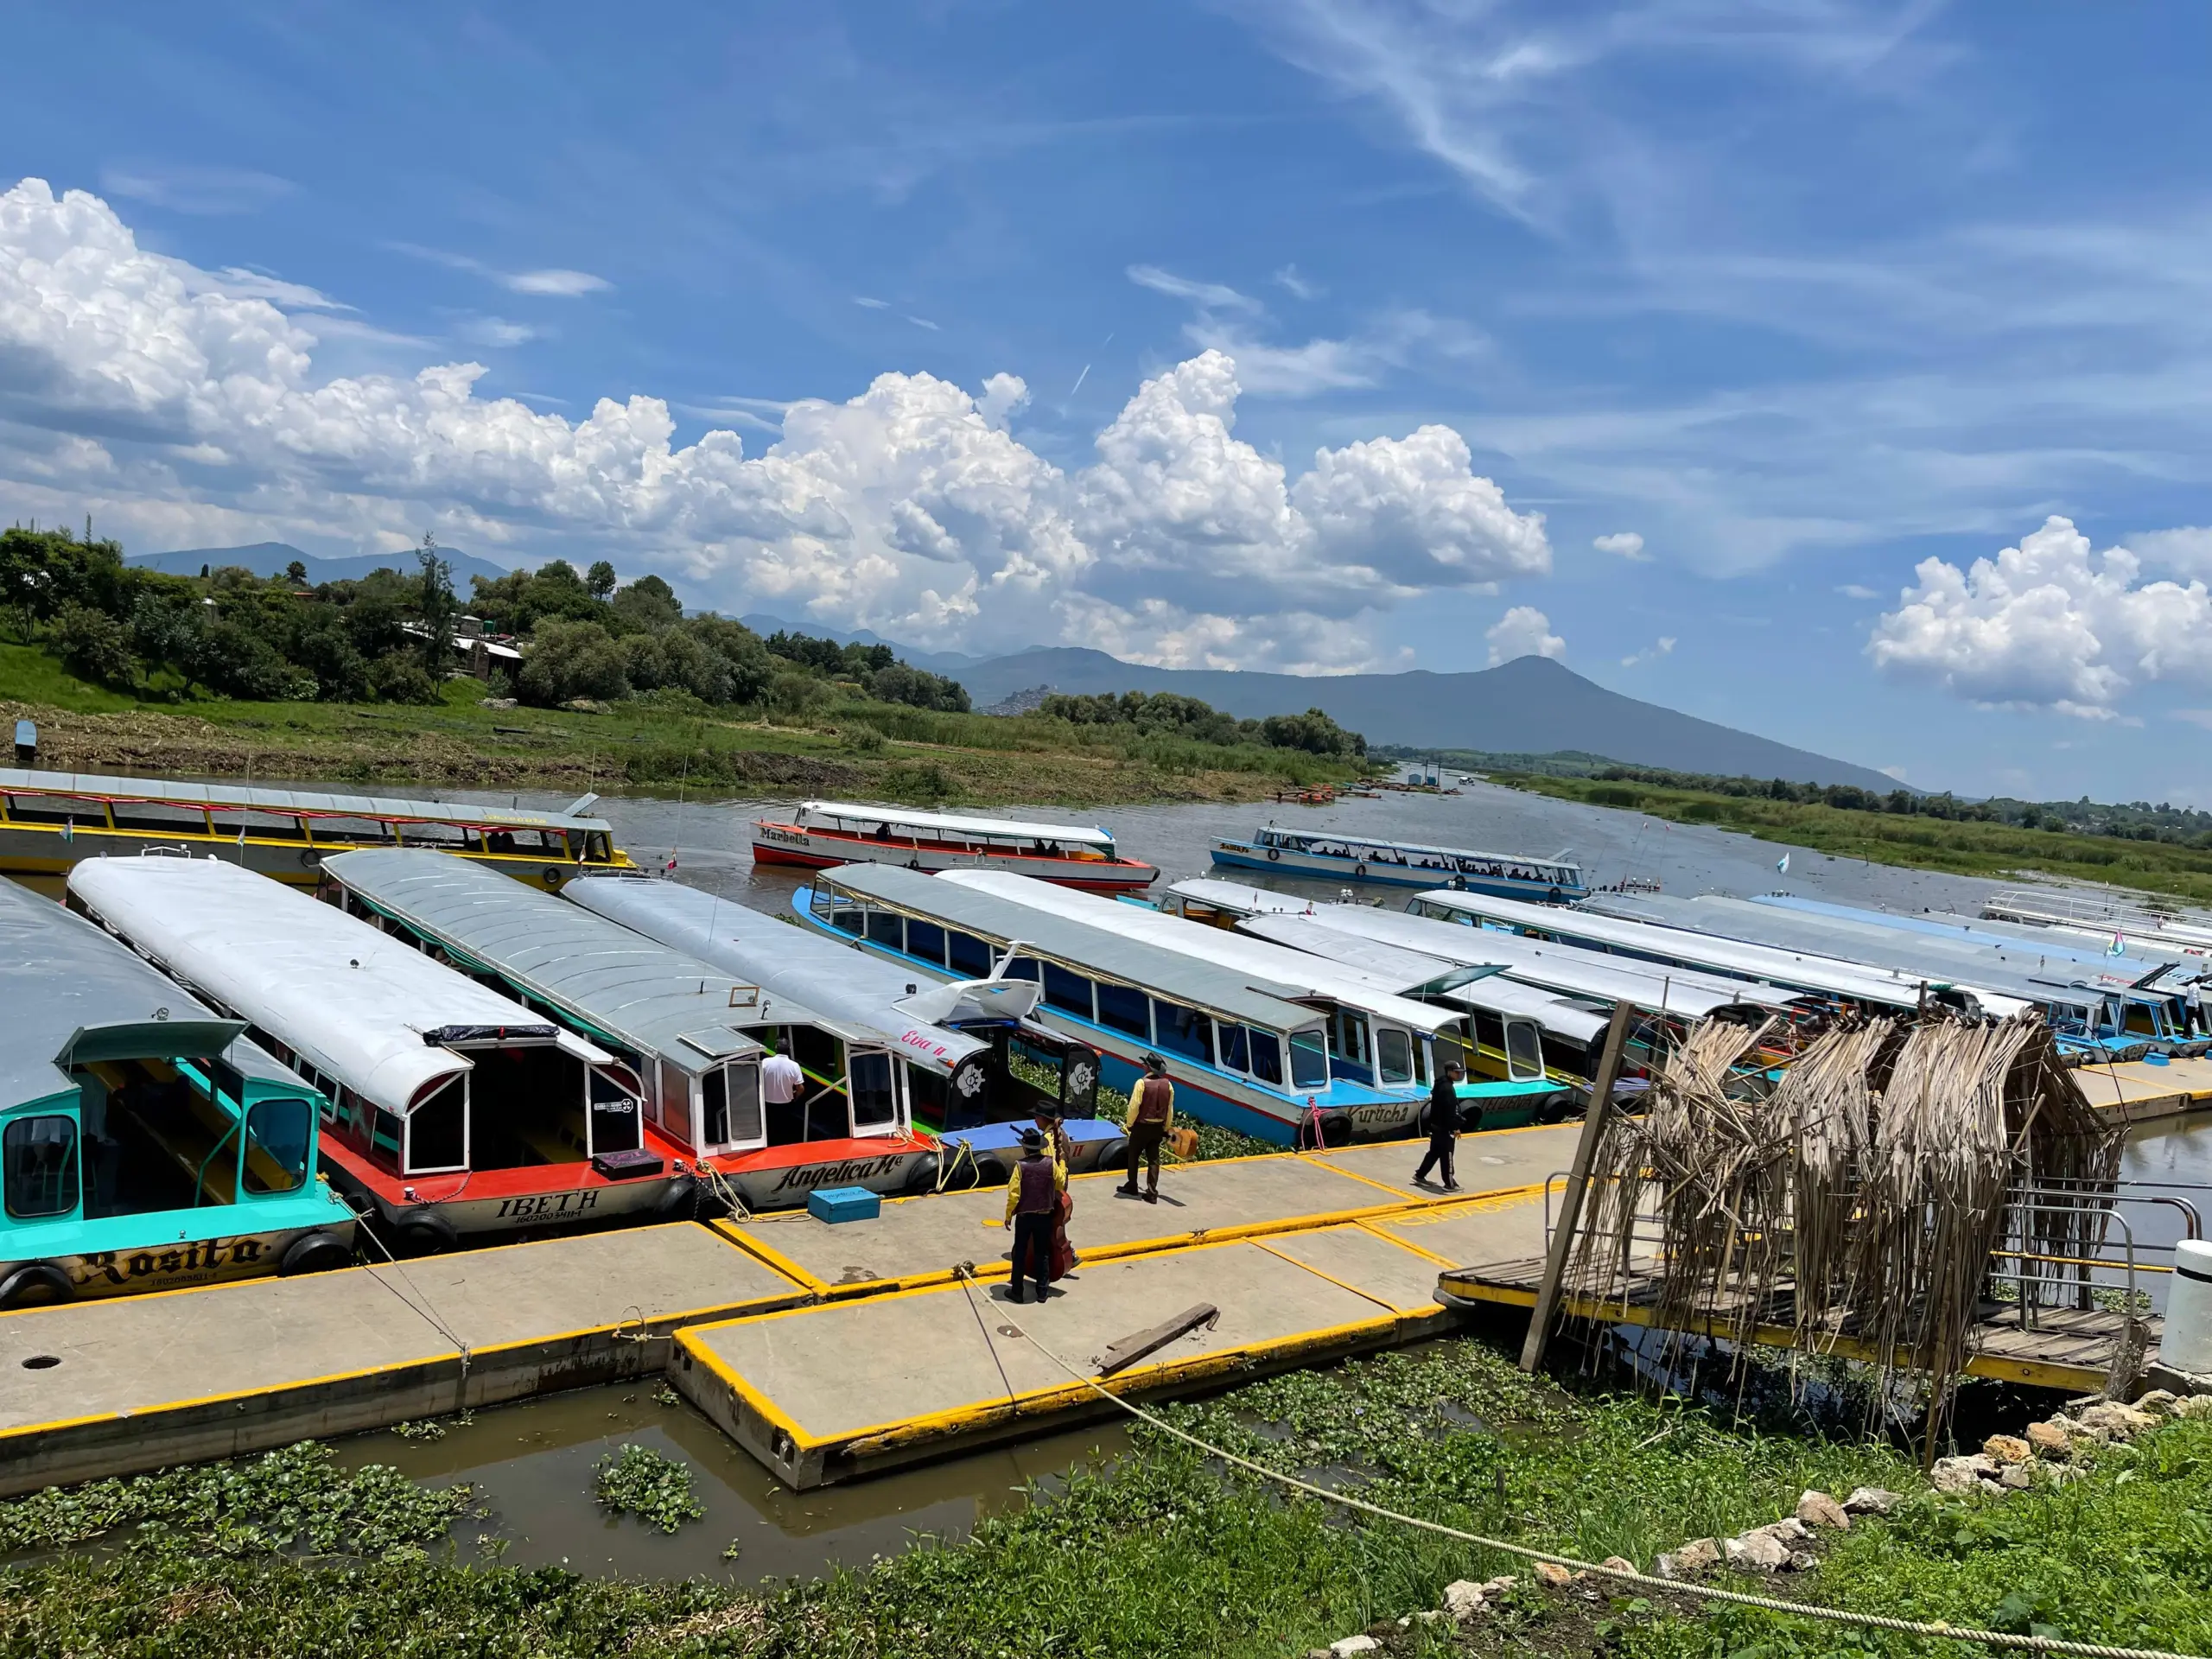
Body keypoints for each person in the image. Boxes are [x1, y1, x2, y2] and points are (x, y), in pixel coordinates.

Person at [1002, 1127, 1065, 1303]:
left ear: (1025, 1148)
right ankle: (1042, 1292)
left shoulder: (1020, 1167)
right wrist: (1063, 1166)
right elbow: (1060, 1183)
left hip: (1024, 1217)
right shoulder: (1050, 1163)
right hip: (1045, 1215)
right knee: (1042, 1253)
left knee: (1020, 1253)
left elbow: (1014, 1195)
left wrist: (1008, 1216)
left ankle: (1017, 1291)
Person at [1120, 1052, 1174, 1203]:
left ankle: (1132, 1185)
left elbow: (1134, 1107)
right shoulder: (1168, 1085)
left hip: (1141, 1126)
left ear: (1148, 1068)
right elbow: (1169, 1109)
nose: (1143, 1066)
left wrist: (1129, 1124)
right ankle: (1151, 1192)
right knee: (1153, 1159)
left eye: (1145, 1064)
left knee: (1133, 1156)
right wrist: (1166, 1128)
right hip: (1158, 1128)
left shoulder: (1141, 1083)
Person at [1414, 1062, 1465, 1190]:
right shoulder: (1447, 1089)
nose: (1459, 1074)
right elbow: (1450, 1110)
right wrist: (1455, 1127)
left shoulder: (1440, 1084)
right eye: (1456, 1071)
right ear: (1449, 1071)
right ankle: (1449, 1183)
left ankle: (1420, 1175)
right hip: (1445, 1128)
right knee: (1447, 1154)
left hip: (1436, 1126)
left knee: (1434, 1152)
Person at [761, 1048, 805, 1144]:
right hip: (786, 1103)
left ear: (776, 1048)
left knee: (768, 1129)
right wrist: (795, 1097)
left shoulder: (765, 1062)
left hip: (767, 1103)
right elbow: (801, 1088)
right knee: (783, 1130)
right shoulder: (794, 1065)